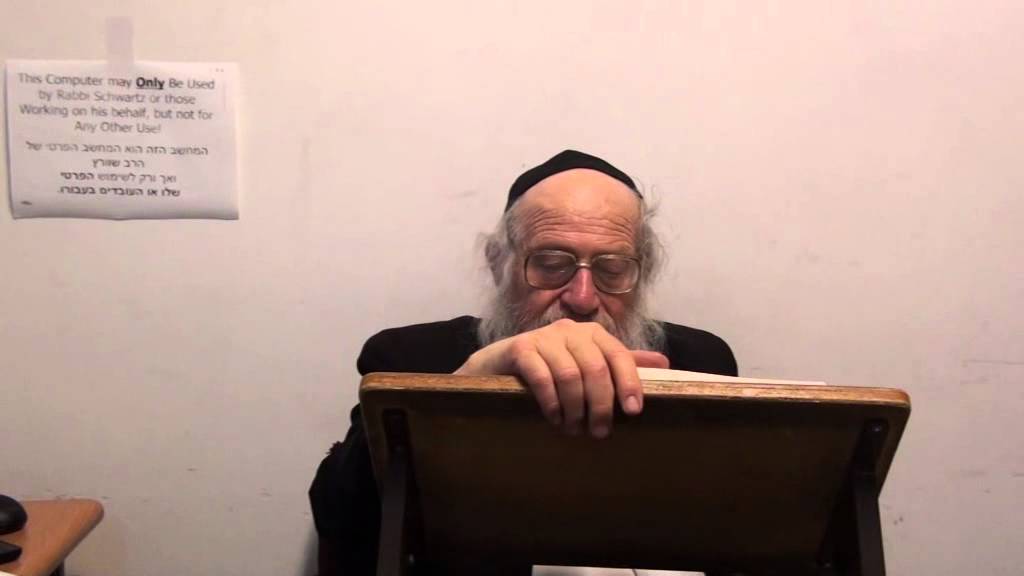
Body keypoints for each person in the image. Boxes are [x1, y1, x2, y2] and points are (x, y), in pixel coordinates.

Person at [309, 150, 738, 575]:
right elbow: (342, 522)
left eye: (612, 269)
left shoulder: (699, 361)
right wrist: (466, 386)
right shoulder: (413, 358)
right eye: (551, 265)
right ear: (499, 263)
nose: (583, 298)